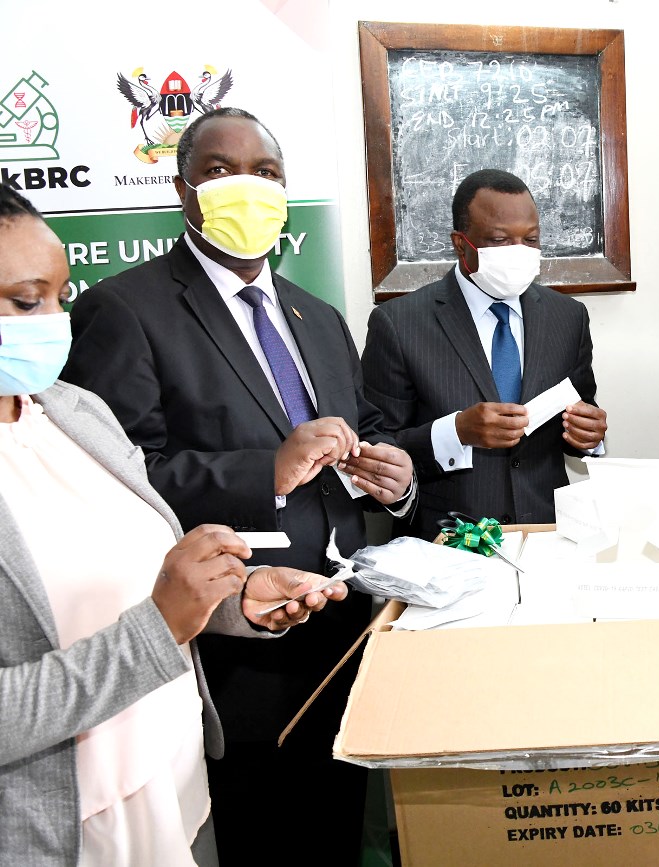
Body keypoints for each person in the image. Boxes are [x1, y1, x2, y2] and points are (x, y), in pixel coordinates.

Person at [61, 107, 415, 866]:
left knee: (338, 823)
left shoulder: (316, 315)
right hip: (234, 635)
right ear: (182, 188)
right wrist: (265, 470)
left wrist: (391, 483)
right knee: (259, 832)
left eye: (267, 173)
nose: (246, 186)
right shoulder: (126, 309)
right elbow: (112, 482)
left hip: (340, 618)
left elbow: (353, 444)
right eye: (221, 171)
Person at [0, 184, 346, 866]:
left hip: (177, 794)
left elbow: (134, 586)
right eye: (24, 300)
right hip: (66, 834)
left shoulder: (73, 411)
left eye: (60, 296)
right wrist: (160, 628)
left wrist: (232, 596)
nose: (53, 321)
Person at [361, 168, 606, 535]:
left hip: (548, 537)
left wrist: (591, 437)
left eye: (531, 239)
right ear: (461, 244)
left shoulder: (567, 317)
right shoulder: (399, 324)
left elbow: (579, 418)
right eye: (500, 240)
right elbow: (376, 447)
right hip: (447, 542)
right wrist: (456, 431)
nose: (519, 252)